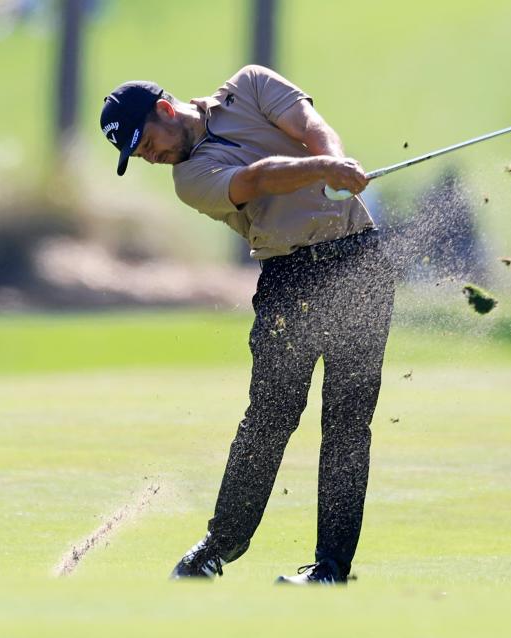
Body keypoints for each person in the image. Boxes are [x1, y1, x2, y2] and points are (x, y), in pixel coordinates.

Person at [100, 65, 395, 585]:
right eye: (138, 155)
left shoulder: (251, 85)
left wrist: (335, 160)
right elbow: (256, 179)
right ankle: (219, 547)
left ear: (166, 111)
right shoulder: (188, 180)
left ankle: (331, 569)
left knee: (348, 422)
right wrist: (325, 168)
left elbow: (309, 125)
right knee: (269, 419)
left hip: (358, 262)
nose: (149, 157)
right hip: (289, 275)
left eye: (145, 143)